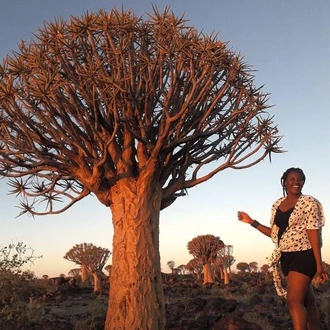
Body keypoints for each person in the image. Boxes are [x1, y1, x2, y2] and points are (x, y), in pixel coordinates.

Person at [237, 167, 327, 330]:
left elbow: (313, 231)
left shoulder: (309, 202)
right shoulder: (277, 204)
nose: (296, 182)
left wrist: (319, 265)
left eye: (299, 179)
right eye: (291, 179)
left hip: (304, 255)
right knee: (307, 302)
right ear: (284, 183)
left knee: (293, 300)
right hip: (286, 257)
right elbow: (275, 234)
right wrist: (251, 222)